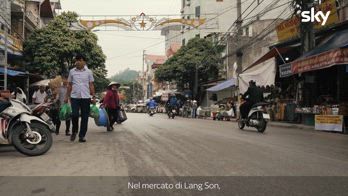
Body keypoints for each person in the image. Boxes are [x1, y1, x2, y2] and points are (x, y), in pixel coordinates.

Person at [65, 54, 96, 143]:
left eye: (80, 60)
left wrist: (93, 96)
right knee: (74, 115)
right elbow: (69, 85)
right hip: (74, 97)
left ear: (84, 62)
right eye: (77, 60)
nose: (78, 62)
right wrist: (66, 96)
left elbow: (91, 85)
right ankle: (74, 131)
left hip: (86, 97)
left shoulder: (89, 72)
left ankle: (82, 136)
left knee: (85, 117)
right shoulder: (72, 71)